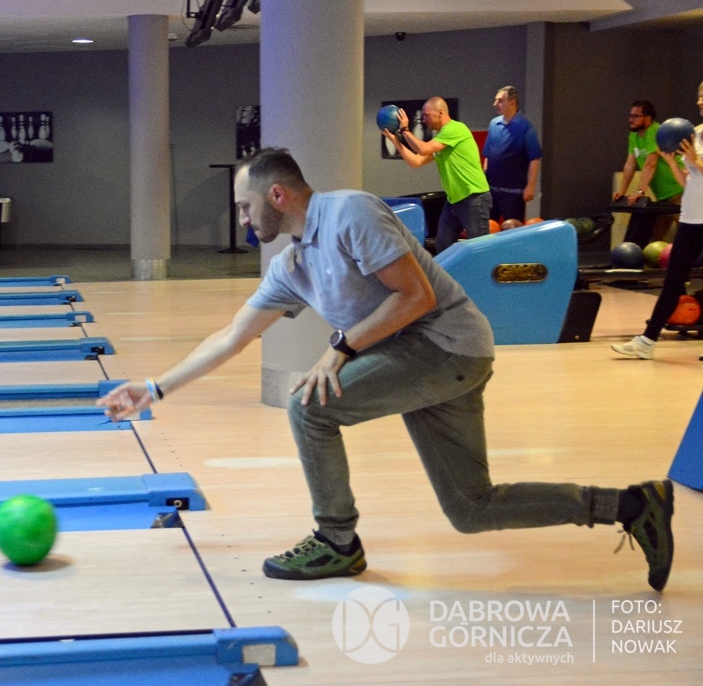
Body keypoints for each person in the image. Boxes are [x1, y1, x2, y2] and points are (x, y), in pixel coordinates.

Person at [98, 148, 674, 592]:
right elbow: (233, 337)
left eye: (245, 206)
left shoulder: (349, 213)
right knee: (471, 509)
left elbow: (417, 296)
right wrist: (154, 388)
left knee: (309, 406)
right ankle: (630, 505)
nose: (242, 218)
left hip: (448, 346)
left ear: (276, 194)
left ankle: (336, 540)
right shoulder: (293, 265)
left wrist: (341, 347)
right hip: (428, 360)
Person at [613, 83, 703, 360]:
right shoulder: (696, 134)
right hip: (691, 218)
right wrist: (674, 163)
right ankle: (647, 341)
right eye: (699, 96)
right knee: (673, 281)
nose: (699, 101)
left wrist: (695, 161)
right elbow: (690, 181)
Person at [382, 97, 491, 253]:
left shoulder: (455, 129)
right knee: (443, 244)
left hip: (474, 197)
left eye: (426, 115)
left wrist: (405, 129)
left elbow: (423, 149)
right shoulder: (441, 139)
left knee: (479, 248)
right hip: (454, 200)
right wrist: (395, 141)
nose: (424, 120)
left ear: (440, 113)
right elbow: (415, 161)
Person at [612, 100, 684, 246]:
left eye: (635, 116)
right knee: (655, 241)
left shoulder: (656, 132)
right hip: (663, 197)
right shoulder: (634, 135)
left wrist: (640, 191)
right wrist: (622, 191)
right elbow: (630, 164)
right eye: (630, 116)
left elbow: (650, 164)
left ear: (648, 118)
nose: (630, 120)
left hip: (679, 192)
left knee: (689, 236)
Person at [482, 86, 542, 223]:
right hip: (492, 189)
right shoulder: (494, 124)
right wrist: (484, 179)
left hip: (514, 192)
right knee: (488, 227)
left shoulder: (525, 127)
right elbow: (488, 155)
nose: (495, 104)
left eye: (500, 101)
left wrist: (531, 186)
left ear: (512, 103)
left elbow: (534, 158)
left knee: (513, 228)